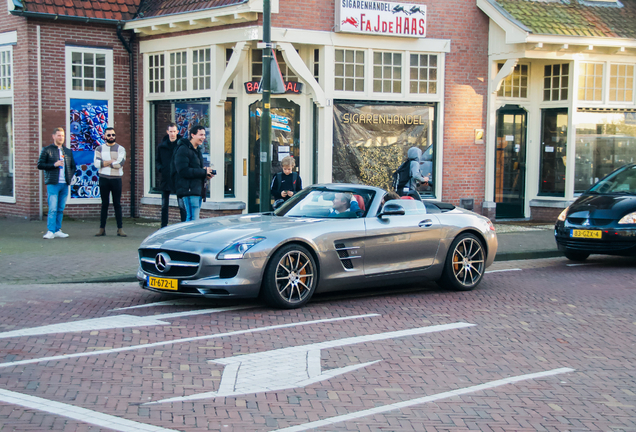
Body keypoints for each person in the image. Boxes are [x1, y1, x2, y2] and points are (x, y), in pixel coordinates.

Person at [37, 127, 77, 239]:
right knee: (53, 208)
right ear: (53, 136)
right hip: (53, 183)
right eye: (59, 135)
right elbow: (40, 165)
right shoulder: (47, 150)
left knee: (60, 208)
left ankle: (57, 230)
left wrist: (70, 176)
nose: (61, 138)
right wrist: (54, 165)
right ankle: (50, 230)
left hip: (65, 184)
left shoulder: (68, 151)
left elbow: (73, 166)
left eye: (63, 136)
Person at [173, 124, 214, 221]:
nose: (203, 138)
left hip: (196, 190)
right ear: (192, 135)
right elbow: (183, 171)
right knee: (192, 219)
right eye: (201, 135)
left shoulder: (197, 150)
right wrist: (203, 172)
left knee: (193, 219)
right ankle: (188, 236)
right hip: (189, 190)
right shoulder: (183, 150)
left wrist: (206, 174)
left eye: (204, 135)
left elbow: (195, 169)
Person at [94, 127, 127, 237]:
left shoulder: (120, 149)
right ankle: (102, 229)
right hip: (103, 178)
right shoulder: (99, 149)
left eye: (113, 134)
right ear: (104, 136)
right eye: (108, 135)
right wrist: (112, 162)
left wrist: (105, 163)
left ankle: (120, 228)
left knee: (117, 204)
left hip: (116, 179)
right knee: (104, 204)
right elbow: (96, 164)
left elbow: (120, 164)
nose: (111, 137)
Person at [156, 122, 186, 227]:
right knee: (164, 205)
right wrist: (161, 169)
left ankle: (184, 226)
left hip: (178, 179)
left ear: (177, 132)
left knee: (182, 205)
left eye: (174, 131)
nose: (172, 134)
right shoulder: (162, 147)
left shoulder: (182, 146)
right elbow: (157, 161)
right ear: (167, 132)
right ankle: (163, 226)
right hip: (165, 178)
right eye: (170, 131)